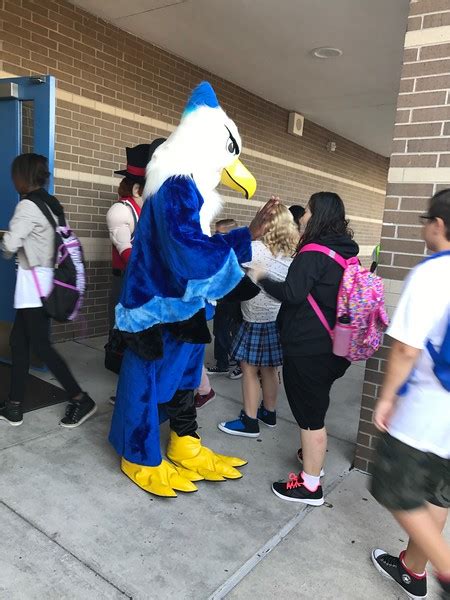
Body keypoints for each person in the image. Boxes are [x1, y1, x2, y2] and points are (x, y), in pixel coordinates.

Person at [370, 189, 450, 600]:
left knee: (391, 487)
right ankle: (412, 570)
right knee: (437, 491)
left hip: (429, 410)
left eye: (425, 221)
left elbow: (404, 348)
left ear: (437, 226)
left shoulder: (434, 273)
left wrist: (386, 397)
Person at [254, 192, 359, 505]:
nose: (303, 215)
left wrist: (260, 276)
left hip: (308, 346)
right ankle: (313, 459)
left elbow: (291, 292)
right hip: (332, 344)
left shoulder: (314, 251)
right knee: (317, 405)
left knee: (310, 416)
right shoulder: (345, 251)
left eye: (307, 210)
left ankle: (310, 485)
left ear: (317, 215)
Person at [0, 153, 96, 428]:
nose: (13, 180)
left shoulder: (28, 206)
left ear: (23, 177)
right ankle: (14, 405)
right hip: (42, 280)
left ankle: (80, 398)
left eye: (15, 174)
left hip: (35, 284)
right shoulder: (50, 203)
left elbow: (9, 245)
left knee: (41, 345)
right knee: (19, 341)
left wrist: (6, 241)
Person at [218, 204, 298, 437]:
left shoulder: (254, 250)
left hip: (254, 319)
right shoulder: (290, 256)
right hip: (276, 319)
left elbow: (226, 258)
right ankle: (269, 412)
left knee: (249, 370)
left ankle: (249, 421)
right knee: (270, 369)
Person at [105, 141, 165, 381]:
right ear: (138, 189)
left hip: (143, 283)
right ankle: (126, 385)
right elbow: (127, 254)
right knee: (126, 334)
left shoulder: (144, 211)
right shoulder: (120, 211)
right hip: (128, 283)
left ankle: (135, 381)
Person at [207, 218, 243, 379]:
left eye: (219, 234)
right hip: (221, 297)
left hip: (232, 298)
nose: (216, 237)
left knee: (228, 331)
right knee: (219, 330)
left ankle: (240, 363)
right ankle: (222, 363)